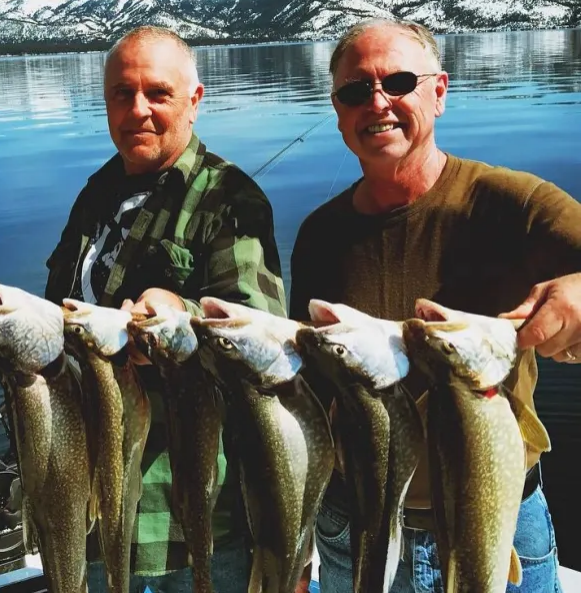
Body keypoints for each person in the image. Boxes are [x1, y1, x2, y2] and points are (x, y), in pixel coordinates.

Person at [289, 18, 581, 593]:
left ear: (440, 92)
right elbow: (311, 396)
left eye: (398, 81)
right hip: (357, 523)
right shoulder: (320, 234)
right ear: (339, 110)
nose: (378, 102)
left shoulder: (513, 202)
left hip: (499, 516)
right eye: (355, 91)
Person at [44, 25, 288, 593]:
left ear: (195, 101)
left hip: (185, 519)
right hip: (90, 498)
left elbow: (260, 339)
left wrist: (178, 311)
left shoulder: (231, 199)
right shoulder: (97, 193)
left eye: (158, 93)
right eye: (121, 94)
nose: (138, 111)